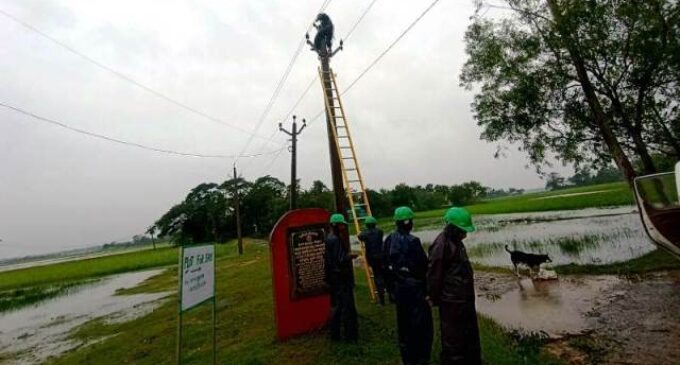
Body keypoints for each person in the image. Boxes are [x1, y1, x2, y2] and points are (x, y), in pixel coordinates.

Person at [427, 207, 482, 365]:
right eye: (463, 230)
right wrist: (433, 297)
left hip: (464, 298)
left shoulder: (455, 241)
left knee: (469, 334)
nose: (466, 234)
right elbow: (434, 275)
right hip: (451, 301)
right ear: (453, 228)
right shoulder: (441, 245)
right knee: (454, 337)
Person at [384, 207, 433, 365]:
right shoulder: (413, 241)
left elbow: (385, 266)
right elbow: (423, 268)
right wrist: (428, 292)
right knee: (422, 326)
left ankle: (408, 359)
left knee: (404, 325)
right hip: (415, 289)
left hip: (400, 289)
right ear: (408, 222)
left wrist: (391, 289)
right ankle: (421, 359)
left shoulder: (389, 239)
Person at [325, 213, 358, 342]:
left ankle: (335, 335)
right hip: (341, 277)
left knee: (336, 306)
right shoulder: (335, 240)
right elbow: (341, 259)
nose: (343, 227)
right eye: (341, 225)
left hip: (334, 278)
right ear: (335, 225)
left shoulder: (329, 238)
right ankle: (350, 336)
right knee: (346, 306)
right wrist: (350, 256)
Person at [358, 216, 386, 305]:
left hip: (373, 259)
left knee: (378, 277)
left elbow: (360, 236)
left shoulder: (365, 234)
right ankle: (391, 296)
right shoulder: (380, 232)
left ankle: (381, 301)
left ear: (367, 225)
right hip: (382, 257)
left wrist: (363, 230)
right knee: (385, 275)